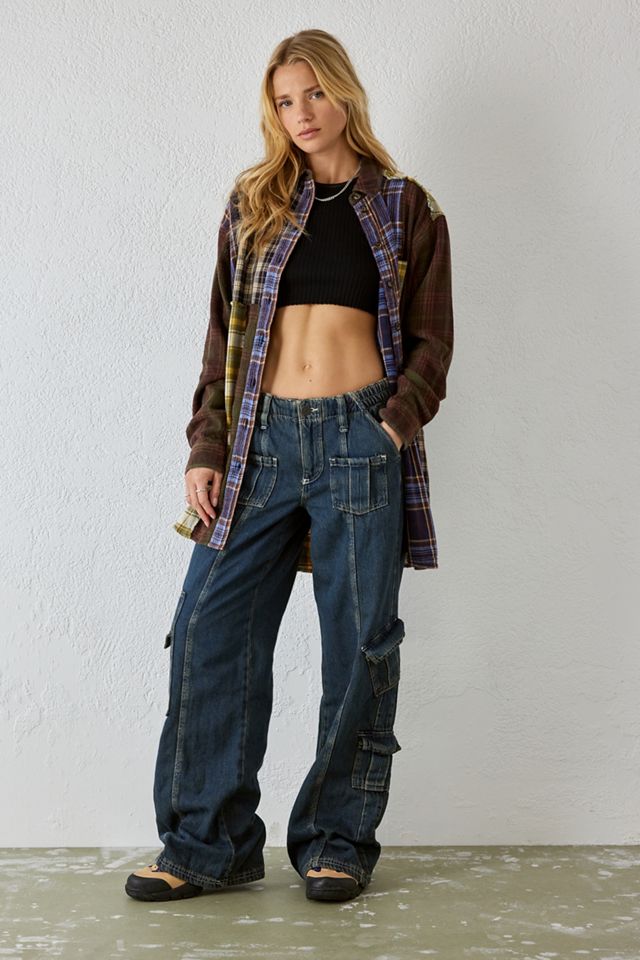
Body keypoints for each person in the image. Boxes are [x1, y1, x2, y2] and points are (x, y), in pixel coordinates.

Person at [125, 27, 454, 905]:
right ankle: (208, 845)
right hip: (259, 443)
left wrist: (390, 427)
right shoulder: (254, 204)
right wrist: (207, 447)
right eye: (283, 100)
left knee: (360, 647)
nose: (300, 113)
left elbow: (432, 344)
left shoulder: (406, 208)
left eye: (313, 93)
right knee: (207, 632)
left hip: (358, 441)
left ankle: (337, 841)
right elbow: (221, 343)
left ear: (344, 92)